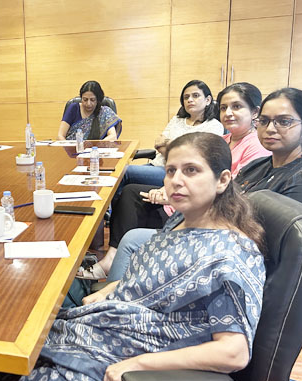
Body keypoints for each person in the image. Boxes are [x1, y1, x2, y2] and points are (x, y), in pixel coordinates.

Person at [0, 132, 266, 381]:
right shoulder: (184, 221)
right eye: (171, 170)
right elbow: (153, 278)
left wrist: (138, 365)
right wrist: (111, 288)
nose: (176, 181)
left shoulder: (230, 255)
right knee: (7, 361)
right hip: (119, 339)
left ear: (222, 180)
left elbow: (233, 352)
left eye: (191, 170)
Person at [102, 87, 302, 282]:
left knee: (134, 242)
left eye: (284, 122)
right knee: (136, 238)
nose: (270, 128)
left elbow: (287, 253)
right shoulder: (260, 164)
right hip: (215, 237)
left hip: (231, 259)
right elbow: (225, 200)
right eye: (265, 121)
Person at [84, 82, 271, 280]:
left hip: (203, 216)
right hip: (185, 207)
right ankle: (115, 258)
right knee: (131, 193)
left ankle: (118, 266)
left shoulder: (254, 147)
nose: (228, 113)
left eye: (237, 106)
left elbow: (231, 191)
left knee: (131, 216)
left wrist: (172, 196)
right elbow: (179, 161)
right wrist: (165, 189)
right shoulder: (224, 141)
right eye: (224, 108)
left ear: (255, 112)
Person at [119, 80, 224, 189]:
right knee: (118, 175)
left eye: (195, 95)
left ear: (208, 100)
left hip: (176, 172)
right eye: (186, 97)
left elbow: (196, 157)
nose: (190, 100)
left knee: (124, 173)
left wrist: (169, 145)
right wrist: (177, 149)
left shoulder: (213, 126)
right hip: (156, 164)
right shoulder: (177, 120)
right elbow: (159, 143)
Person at [57, 81, 121, 141]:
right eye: (85, 99)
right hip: (72, 147)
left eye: (92, 100)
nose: (88, 104)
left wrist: (96, 146)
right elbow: (60, 135)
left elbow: (113, 136)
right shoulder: (73, 108)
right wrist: (67, 147)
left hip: (96, 148)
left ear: (98, 100)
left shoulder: (104, 112)